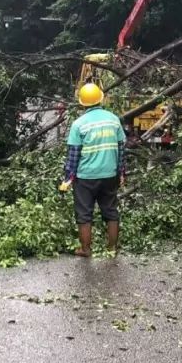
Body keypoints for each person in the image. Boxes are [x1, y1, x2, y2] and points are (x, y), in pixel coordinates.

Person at [63, 83, 127, 257]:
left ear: (82, 103)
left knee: (84, 213)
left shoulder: (78, 124)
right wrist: (121, 172)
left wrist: (68, 178)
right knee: (111, 210)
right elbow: (121, 148)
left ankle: (85, 249)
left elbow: (73, 155)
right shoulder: (113, 119)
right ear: (101, 98)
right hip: (110, 174)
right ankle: (112, 248)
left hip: (85, 177)